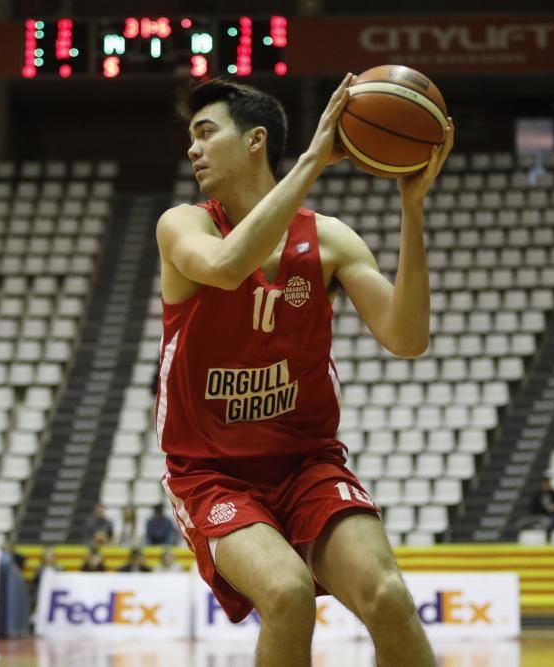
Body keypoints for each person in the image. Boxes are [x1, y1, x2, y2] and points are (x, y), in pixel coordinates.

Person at [155, 74, 453, 667]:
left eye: (206, 133)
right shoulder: (184, 225)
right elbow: (227, 267)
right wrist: (316, 160)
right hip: (212, 473)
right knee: (288, 592)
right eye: (191, 137)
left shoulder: (331, 241)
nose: (193, 149)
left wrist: (411, 209)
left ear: (256, 140)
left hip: (307, 462)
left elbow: (407, 338)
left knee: (389, 596)